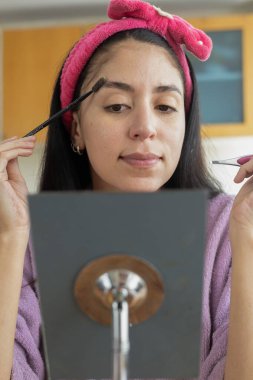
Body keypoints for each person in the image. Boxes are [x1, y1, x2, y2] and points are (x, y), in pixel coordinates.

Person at [0, 0, 253, 378]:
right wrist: (9, 238)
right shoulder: (27, 238)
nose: (145, 127)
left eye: (166, 106)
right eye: (117, 105)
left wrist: (247, 241)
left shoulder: (230, 229)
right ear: (77, 129)